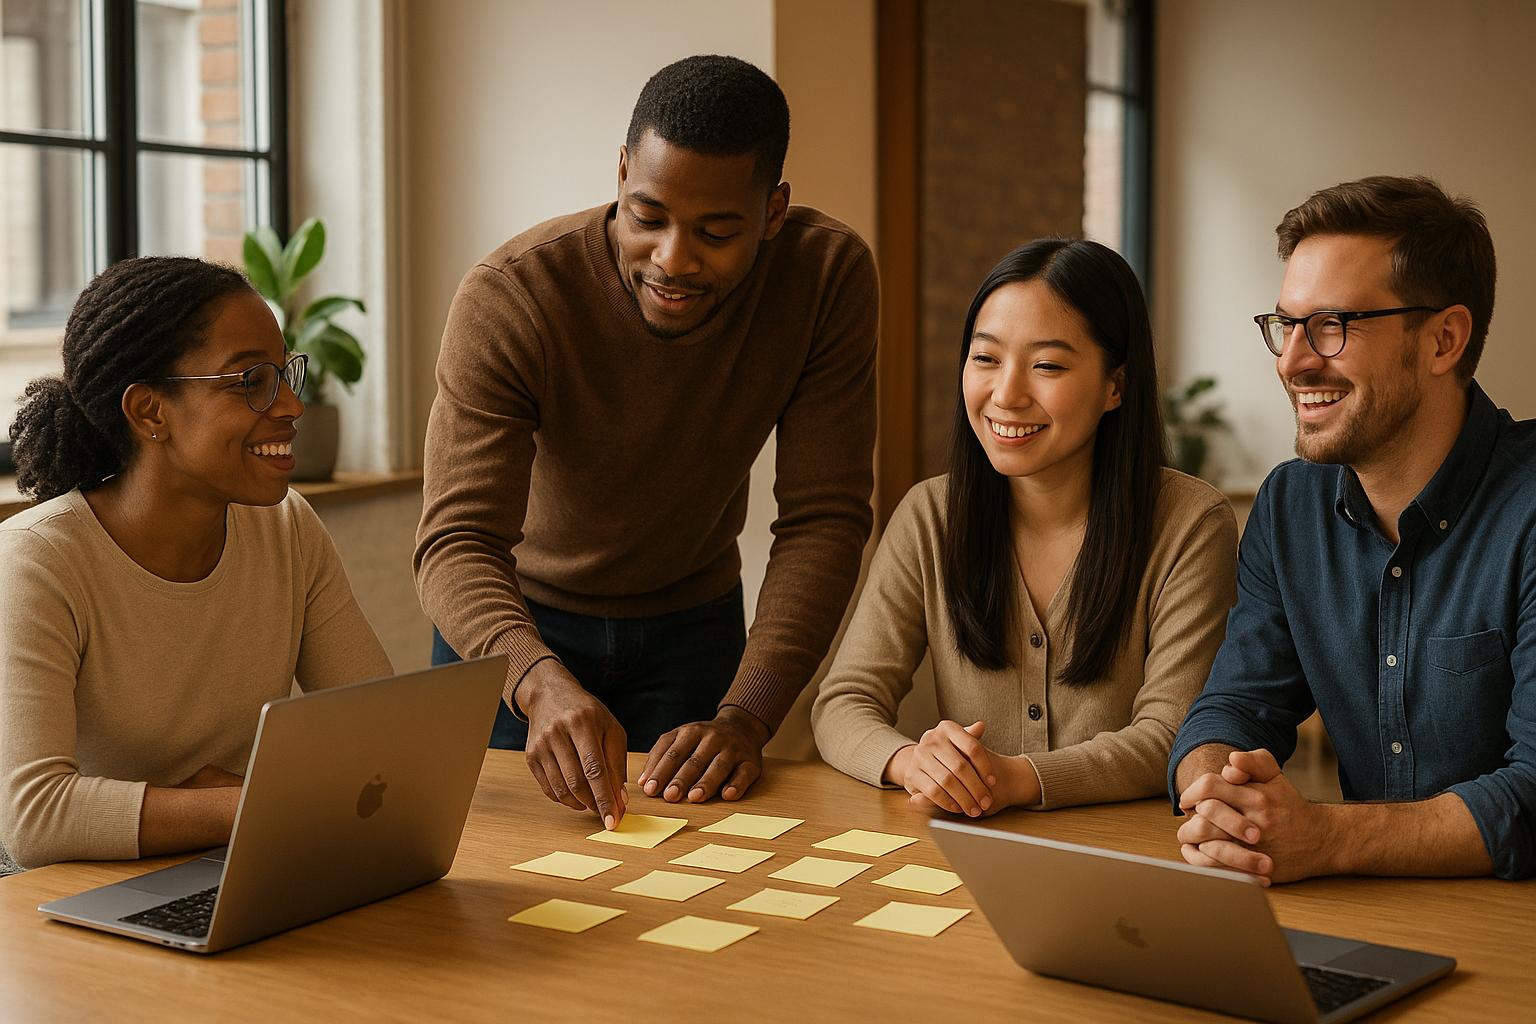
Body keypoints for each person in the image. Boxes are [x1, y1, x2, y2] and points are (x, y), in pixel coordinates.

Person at [416, 55, 876, 830]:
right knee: (485, 885)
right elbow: (456, 540)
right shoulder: (513, 295)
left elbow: (823, 519)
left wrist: (748, 714)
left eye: (717, 231)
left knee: (690, 883)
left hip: (692, 626)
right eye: (647, 216)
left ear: (773, 210)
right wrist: (535, 679)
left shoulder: (825, 278)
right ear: (622, 171)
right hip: (513, 626)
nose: (673, 259)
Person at [1169, 175, 1535, 882]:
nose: (1292, 360)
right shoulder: (1290, 505)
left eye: (1332, 326)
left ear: (1443, 339)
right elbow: (1237, 705)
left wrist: (1327, 839)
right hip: (1368, 915)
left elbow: (1532, 797)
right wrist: (1215, 792)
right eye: (1285, 324)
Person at [812, 239, 1236, 815]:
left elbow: (1171, 733)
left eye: (1047, 366)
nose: (1006, 395)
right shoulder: (930, 515)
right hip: (964, 858)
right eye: (985, 359)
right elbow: (844, 702)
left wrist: (1017, 779)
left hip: (1125, 862)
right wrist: (914, 762)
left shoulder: (1189, 523)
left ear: (1116, 385)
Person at [0, 256, 392, 869]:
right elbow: (35, 818)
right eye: (251, 381)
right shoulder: (38, 561)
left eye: (285, 375)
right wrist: (255, 803)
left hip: (219, 864)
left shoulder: (286, 528)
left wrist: (241, 808)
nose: (290, 406)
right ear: (150, 412)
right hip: (62, 901)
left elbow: (380, 729)